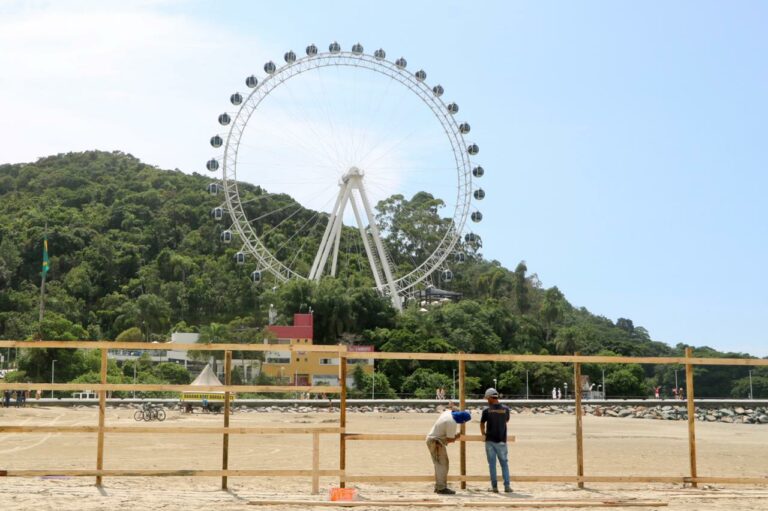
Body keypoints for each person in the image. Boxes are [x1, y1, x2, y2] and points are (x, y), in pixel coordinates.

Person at [426, 409, 471, 495]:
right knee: (442, 465)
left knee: (439, 464)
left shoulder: (447, 413)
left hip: (432, 439)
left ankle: (439, 486)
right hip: (436, 441)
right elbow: (450, 440)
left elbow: (452, 408)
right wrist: (457, 436)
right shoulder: (452, 422)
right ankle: (441, 488)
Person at [480, 388, 512, 493]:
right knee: (504, 464)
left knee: (492, 465)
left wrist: (483, 434)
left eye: (487, 398)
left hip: (490, 440)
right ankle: (507, 486)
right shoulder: (506, 409)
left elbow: (482, 423)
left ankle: (494, 487)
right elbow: (506, 420)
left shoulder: (486, 410)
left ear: (490, 397)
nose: (486, 400)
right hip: (502, 440)